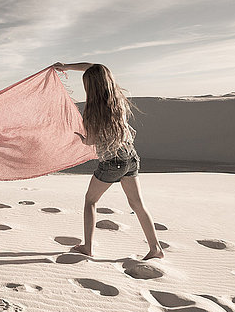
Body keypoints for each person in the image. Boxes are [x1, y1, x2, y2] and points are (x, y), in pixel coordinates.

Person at [53, 62, 164, 260]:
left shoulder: (92, 111)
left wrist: (79, 136)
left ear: (89, 87)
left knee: (90, 201)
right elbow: (96, 67)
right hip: (130, 157)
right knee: (138, 204)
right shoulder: (118, 99)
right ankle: (155, 248)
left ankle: (87, 247)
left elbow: (91, 141)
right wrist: (67, 67)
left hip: (111, 163)